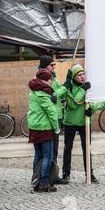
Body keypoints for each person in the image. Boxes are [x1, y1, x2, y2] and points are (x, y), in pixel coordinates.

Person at [61, 64, 99, 183]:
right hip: (70, 122)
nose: (82, 77)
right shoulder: (68, 87)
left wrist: (91, 111)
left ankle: (89, 174)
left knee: (87, 148)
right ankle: (66, 173)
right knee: (68, 148)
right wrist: (83, 89)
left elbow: (93, 102)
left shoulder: (87, 86)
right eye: (79, 75)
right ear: (74, 76)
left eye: (83, 74)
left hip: (84, 122)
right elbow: (73, 104)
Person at [37, 55, 69, 185]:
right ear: (45, 66)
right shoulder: (42, 78)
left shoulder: (53, 77)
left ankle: (53, 175)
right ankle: (43, 178)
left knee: (54, 150)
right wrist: (65, 86)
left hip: (57, 116)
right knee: (46, 152)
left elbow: (57, 91)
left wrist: (63, 88)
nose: (54, 67)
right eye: (52, 65)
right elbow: (54, 93)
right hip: (49, 120)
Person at [28, 69, 60, 193]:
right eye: (50, 80)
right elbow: (51, 113)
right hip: (44, 128)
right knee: (47, 155)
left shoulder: (33, 90)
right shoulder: (43, 94)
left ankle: (35, 181)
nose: (51, 82)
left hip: (34, 127)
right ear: (45, 81)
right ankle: (43, 184)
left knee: (38, 154)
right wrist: (56, 129)